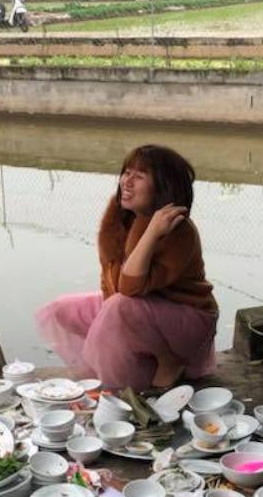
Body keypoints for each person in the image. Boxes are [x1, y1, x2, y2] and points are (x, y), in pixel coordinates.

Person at [36, 145, 218, 390]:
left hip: (189, 319)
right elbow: (110, 278)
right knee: (61, 310)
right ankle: (137, 367)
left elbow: (130, 287)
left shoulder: (178, 229)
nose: (127, 182)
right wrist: (110, 327)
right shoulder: (121, 216)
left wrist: (152, 231)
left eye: (139, 176)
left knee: (118, 306)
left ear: (162, 187)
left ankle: (168, 361)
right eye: (126, 172)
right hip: (140, 310)